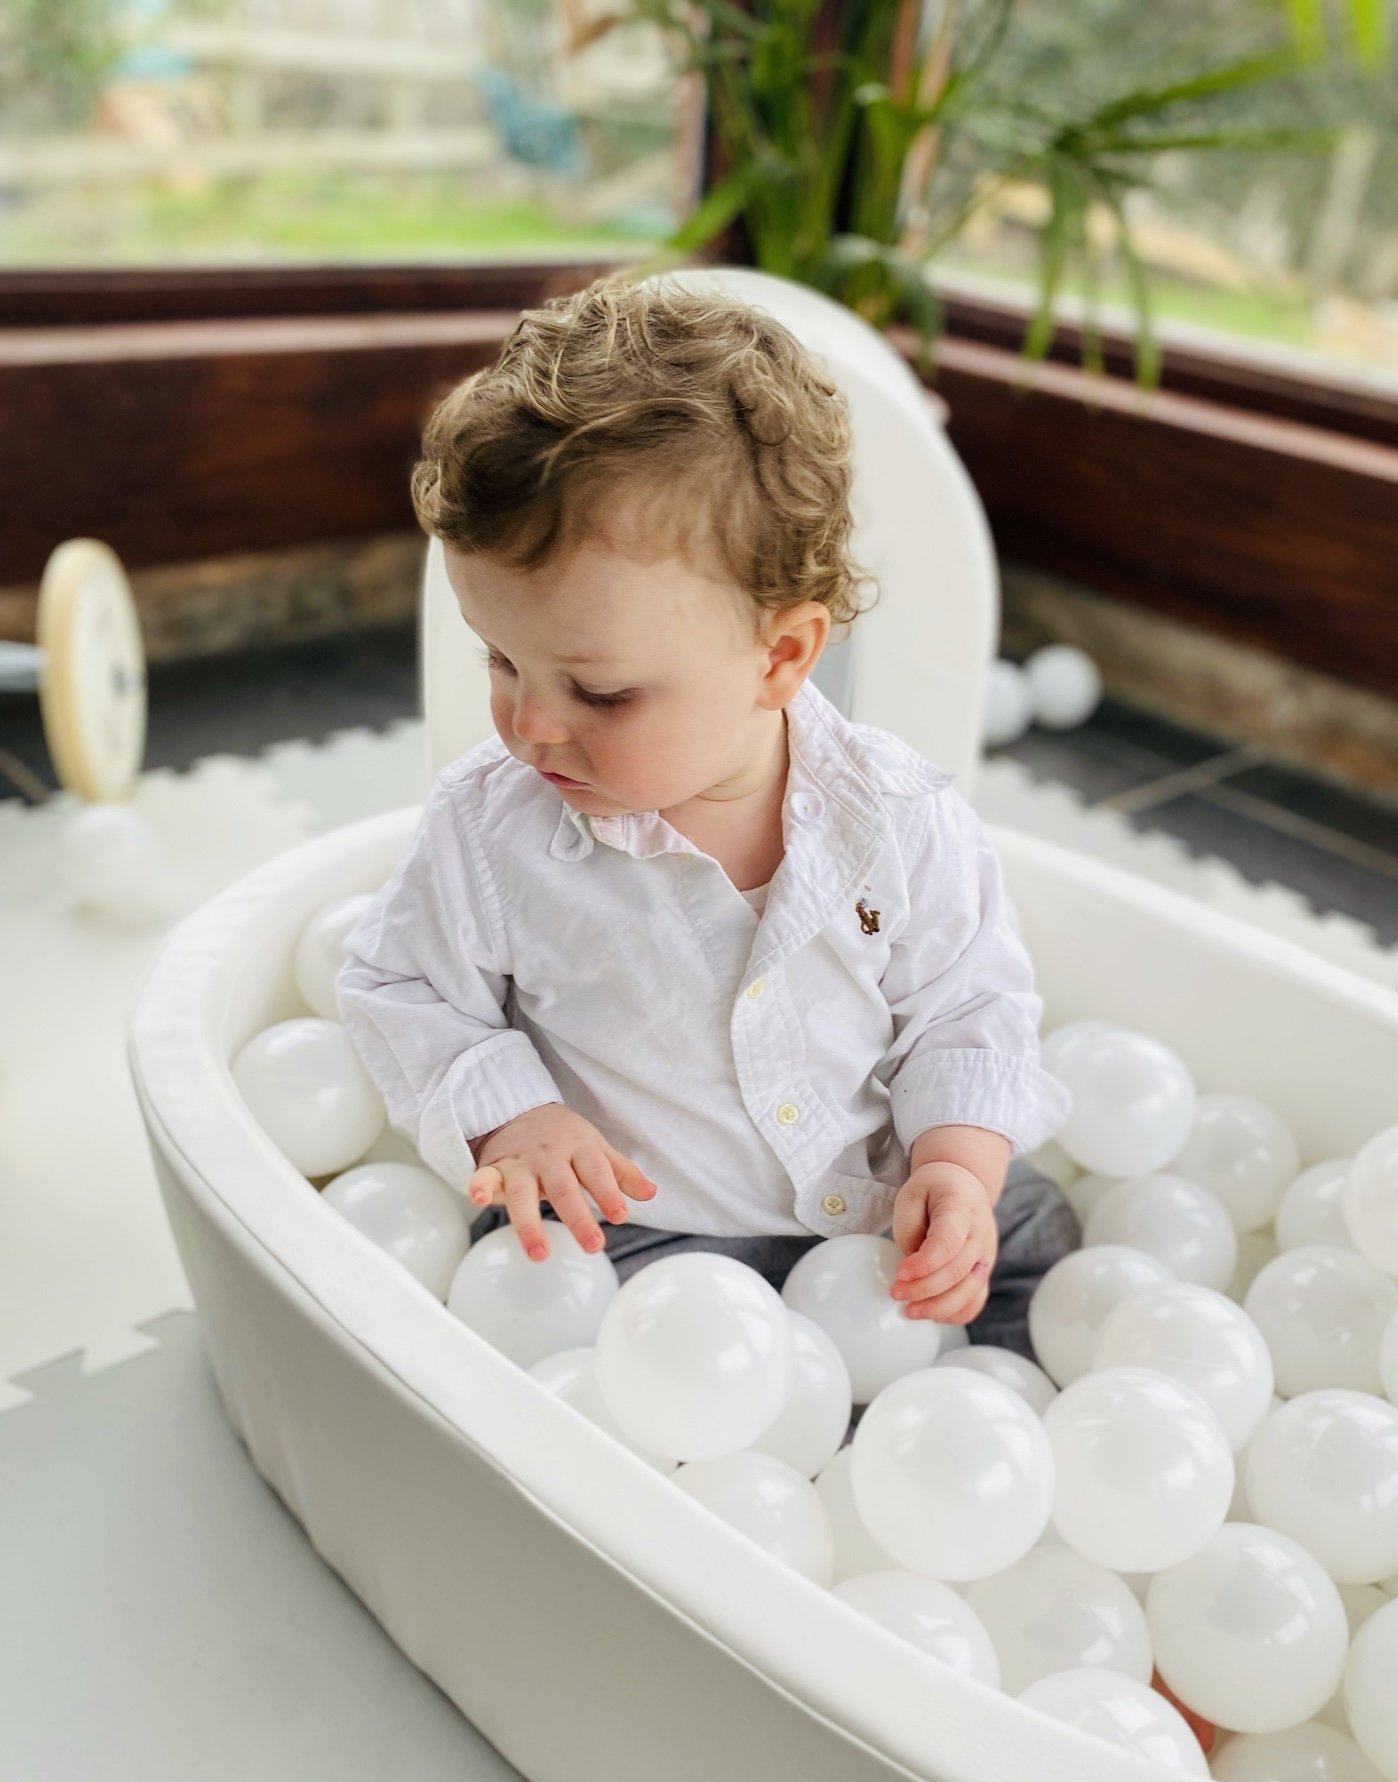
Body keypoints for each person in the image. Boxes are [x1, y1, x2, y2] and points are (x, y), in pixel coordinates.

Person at [337, 271, 1079, 1356]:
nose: (531, 724)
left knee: (1032, 1229)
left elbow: (967, 1006)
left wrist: (954, 1167)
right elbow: (398, 986)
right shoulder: (491, 832)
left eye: (600, 692)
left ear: (779, 657)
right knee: (585, 1323)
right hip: (652, 1235)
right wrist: (517, 1114)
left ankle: (965, 1410)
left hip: (872, 1206)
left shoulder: (900, 820)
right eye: (499, 658)